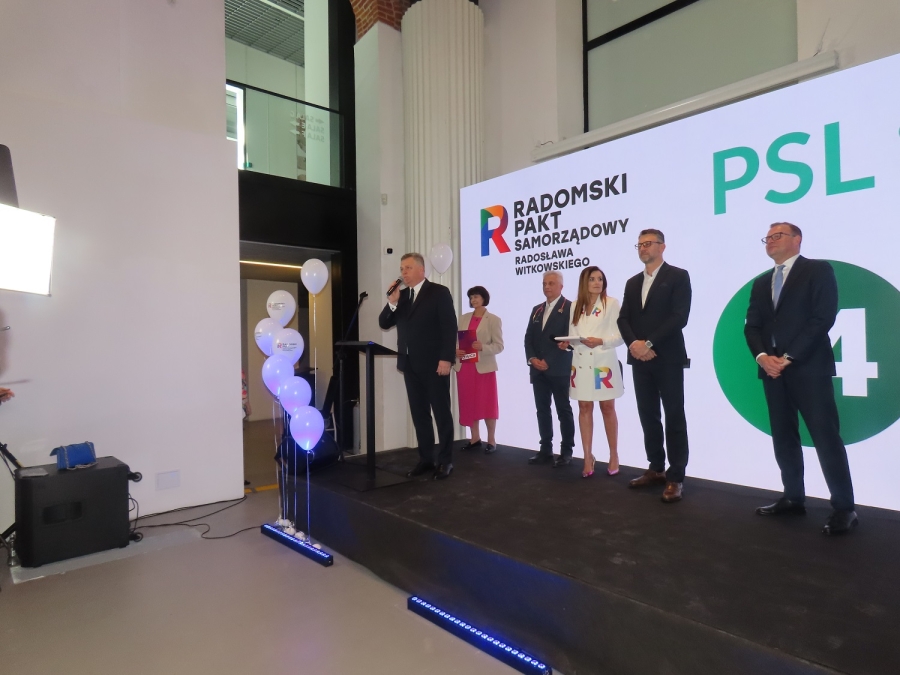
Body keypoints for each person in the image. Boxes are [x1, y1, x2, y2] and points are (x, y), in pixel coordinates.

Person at [744, 222, 857, 535]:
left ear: (797, 239)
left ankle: (845, 508)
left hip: (809, 367)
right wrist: (762, 357)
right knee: (784, 436)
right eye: (767, 237)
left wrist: (789, 356)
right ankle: (793, 498)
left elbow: (823, 317)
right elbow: (752, 326)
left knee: (825, 437)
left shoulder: (818, 270)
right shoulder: (761, 282)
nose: (770, 241)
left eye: (777, 235)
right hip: (771, 371)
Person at [617, 229, 692, 503]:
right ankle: (656, 468)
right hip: (639, 358)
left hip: (668, 357)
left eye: (648, 243)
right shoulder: (632, 282)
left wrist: (648, 343)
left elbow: (679, 317)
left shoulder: (678, 276)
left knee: (674, 416)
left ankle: (676, 477)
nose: (643, 248)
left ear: (662, 247)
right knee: (648, 415)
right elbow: (623, 319)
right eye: (639, 244)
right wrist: (634, 345)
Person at [379, 252, 458, 480]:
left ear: (421, 270)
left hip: (435, 364)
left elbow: (449, 327)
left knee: (441, 413)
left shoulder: (439, 292)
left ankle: (445, 461)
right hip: (410, 364)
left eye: (408, 268)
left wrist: (446, 358)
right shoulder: (401, 296)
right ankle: (426, 459)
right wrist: (392, 302)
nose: (403, 272)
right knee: (420, 414)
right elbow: (384, 322)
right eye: (402, 269)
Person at [558, 267, 624, 478]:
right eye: (593, 279)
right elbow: (574, 335)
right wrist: (567, 344)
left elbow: (621, 335)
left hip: (603, 363)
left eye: (600, 279)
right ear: (584, 283)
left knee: (607, 407)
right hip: (580, 363)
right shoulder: (575, 305)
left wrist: (601, 341)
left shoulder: (610, 303)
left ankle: (614, 454)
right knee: (584, 407)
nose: (597, 283)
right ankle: (587, 456)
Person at [524, 271, 575, 467]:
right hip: (538, 370)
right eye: (544, 283)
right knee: (542, 410)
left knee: (563, 410)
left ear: (561, 286)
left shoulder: (570, 307)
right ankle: (545, 449)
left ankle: (566, 451)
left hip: (559, 369)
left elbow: (569, 339)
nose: (547, 287)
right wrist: (532, 359)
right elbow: (528, 338)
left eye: (551, 283)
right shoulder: (536, 309)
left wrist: (548, 361)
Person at [455, 286, 503, 454]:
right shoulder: (463, 318)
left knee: (487, 404)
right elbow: (455, 341)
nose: (473, 300)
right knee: (469, 402)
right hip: (465, 367)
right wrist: (455, 351)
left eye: (476, 296)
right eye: (471, 297)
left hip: (484, 369)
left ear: (484, 298)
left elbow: (499, 346)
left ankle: (491, 440)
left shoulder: (493, 320)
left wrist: (483, 347)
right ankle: (474, 438)